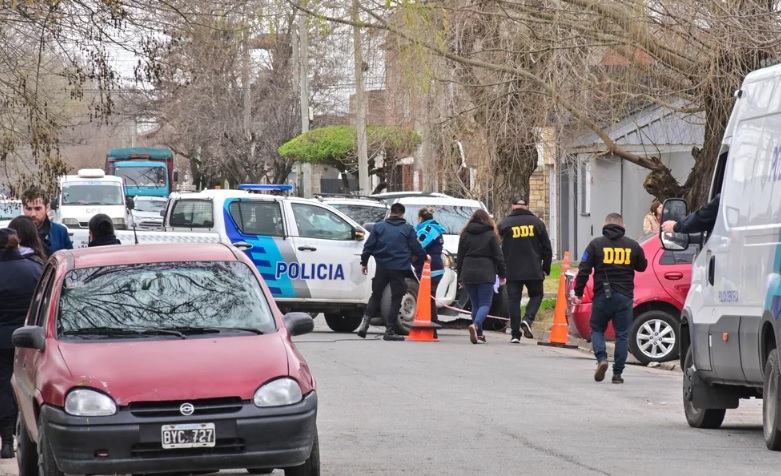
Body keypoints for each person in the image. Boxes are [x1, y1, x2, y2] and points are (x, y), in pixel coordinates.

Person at [570, 213, 647, 384]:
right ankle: (618, 374)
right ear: (623, 226)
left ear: (605, 225)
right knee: (622, 335)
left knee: (597, 329)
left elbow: (584, 269)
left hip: (602, 295)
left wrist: (578, 292)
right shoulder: (633, 245)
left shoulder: (596, 244)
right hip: (625, 296)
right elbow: (642, 266)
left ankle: (602, 358)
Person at [0, 228, 43, 458]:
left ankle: (6, 441)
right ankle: (27, 436)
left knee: (3, 388)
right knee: (28, 387)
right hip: (28, 338)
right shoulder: (35, 269)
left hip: (1, 341)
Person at [358, 203, 427, 341]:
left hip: (382, 267)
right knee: (396, 298)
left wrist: (364, 262)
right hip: (399, 267)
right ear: (402, 214)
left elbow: (368, 246)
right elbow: (416, 247)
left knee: (376, 295)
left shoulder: (378, 227)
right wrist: (425, 257)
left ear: (390, 213)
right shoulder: (408, 229)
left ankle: (364, 325)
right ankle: (389, 330)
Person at [497, 196, 552, 343]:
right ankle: (528, 319)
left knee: (514, 300)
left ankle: (515, 334)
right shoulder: (537, 223)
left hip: (512, 269)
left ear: (513, 206)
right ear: (527, 206)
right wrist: (546, 267)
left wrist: (500, 269)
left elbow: (498, 248)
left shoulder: (504, 224)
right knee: (537, 295)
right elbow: (547, 247)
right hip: (533, 268)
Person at [457, 209, 507, 344]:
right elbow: (498, 256)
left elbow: (460, 257)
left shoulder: (465, 234)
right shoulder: (491, 234)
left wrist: (460, 278)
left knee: (475, 304)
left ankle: (479, 335)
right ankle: (476, 325)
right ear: (487, 219)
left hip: (468, 270)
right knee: (485, 303)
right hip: (486, 270)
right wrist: (503, 274)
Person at [414, 207, 446, 335]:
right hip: (435, 268)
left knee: (428, 299)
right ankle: (432, 327)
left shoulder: (428, 230)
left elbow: (418, 246)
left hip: (430, 269)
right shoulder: (433, 228)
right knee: (429, 299)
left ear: (420, 218)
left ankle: (432, 328)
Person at [22, 188, 73, 255]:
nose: (33, 214)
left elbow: (70, 260)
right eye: (29, 209)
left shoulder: (60, 231)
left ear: (47, 207)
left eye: (38, 208)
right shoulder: (15, 233)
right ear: (23, 208)